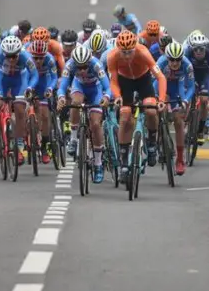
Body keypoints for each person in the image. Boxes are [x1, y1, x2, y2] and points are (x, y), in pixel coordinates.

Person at [107, 30, 167, 177]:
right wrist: (117, 96)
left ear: (135, 48)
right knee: (125, 115)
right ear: (118, 49)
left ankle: (152, 143)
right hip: (125, 81)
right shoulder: (112, 56)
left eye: (130, 52)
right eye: (124, 52)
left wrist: (162, 100)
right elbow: (114, 82)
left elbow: (161, 78)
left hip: (143, 80)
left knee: (151, 110)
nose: (127, 56)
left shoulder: (143, 52)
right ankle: (123, 160)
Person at [0, 35, 38, 166]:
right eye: (8, 56)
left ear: (19, 53)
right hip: (2, 80)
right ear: (3, 53)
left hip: (19, 80)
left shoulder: (26, 56)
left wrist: (29, 87)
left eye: (14, 56)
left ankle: (19, 145)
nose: (11, 59)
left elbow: (34, 75)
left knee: (20, 110)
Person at [58, 44, 112, 183]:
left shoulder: (96, 64)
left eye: (84, 67)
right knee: (75, 102)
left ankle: (98, 163)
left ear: (89, 62)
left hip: (95, 89)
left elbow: (107, 86)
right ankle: (74, 139)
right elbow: (63, 86)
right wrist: (61, 98)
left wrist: (106, 98)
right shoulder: (69, 65)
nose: (82, 70)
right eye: (79, 67)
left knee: (95, 124)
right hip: (79, 86)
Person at [155, 41, 194, 176]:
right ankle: (159, 138)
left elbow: (190, 87)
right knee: (160, 108)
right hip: (162, 87)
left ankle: (180, 159)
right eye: (172, 60)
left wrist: (185, 100)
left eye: (178, 60)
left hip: (178, 88)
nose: (175, 63)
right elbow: (152, 81)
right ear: (167, 58)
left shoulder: (187, 65)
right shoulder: (160, 63)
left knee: (179, 121)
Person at [24, 35, 60, 164]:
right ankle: (25, 135)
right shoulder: (26, 57)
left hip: (44, 83)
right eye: (36, 58)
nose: (38, 61)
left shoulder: (49, 59)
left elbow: (55, 78)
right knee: (22, 109)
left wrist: (50, 89)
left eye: (41, 58)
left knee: (44, 115)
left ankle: (45, 146)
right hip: (28, 81)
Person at [184, 32, 209, 143]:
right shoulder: (187, 53)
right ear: (192, 49)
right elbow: (183, 70)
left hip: (205, 77)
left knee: (203, 101)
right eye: (196, 49)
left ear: (205, 49)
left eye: (201, 49)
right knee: (187, 97)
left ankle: (200, 130)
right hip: (191, 75)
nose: (198, 52)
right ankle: (186, 119)